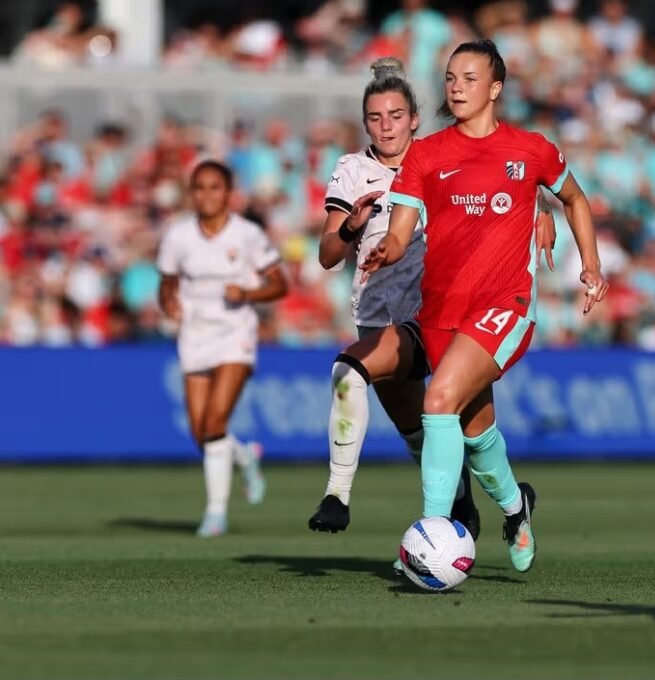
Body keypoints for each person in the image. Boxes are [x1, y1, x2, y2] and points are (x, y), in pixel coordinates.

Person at [361, 39, 608, 573]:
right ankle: (517, 509)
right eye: (451, 77)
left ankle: (429, 536)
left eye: (470, 78)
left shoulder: (531, 149)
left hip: (506, 303)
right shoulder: (426, 153)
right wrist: (388, 248)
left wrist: (591, 265)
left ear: (495, 88)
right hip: (442, 310)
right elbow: (402, 231)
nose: (457, 86)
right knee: (474, 431)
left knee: (438, 399)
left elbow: (574, 198)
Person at [307, 57, 558, 545]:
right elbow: (326, 255)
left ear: (415, 119)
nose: (386, 126)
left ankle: (339, 496)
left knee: (349, 373)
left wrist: (543, 206)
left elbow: (512, 175)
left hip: (435, 314)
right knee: (430, 435)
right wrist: (352, 227)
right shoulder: (352, 171)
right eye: (376, 118)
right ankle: (485, 503)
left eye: (396, 115)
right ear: (365, 124)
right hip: (377, 319)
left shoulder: (440, 155)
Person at [157, 160, 288, 537]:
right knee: (202, 433)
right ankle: (245, 456)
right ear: (191, 193)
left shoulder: (247, 234)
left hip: (235, 333)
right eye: (199, 188)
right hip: (195, 333)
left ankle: (215, 513)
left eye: (215, 187)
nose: (207, 195)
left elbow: (279, 284)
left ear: (228, 193)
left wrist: (247, 293)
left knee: (215, 421)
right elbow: (166, 283)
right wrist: (169, 303)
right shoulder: (178, 236)